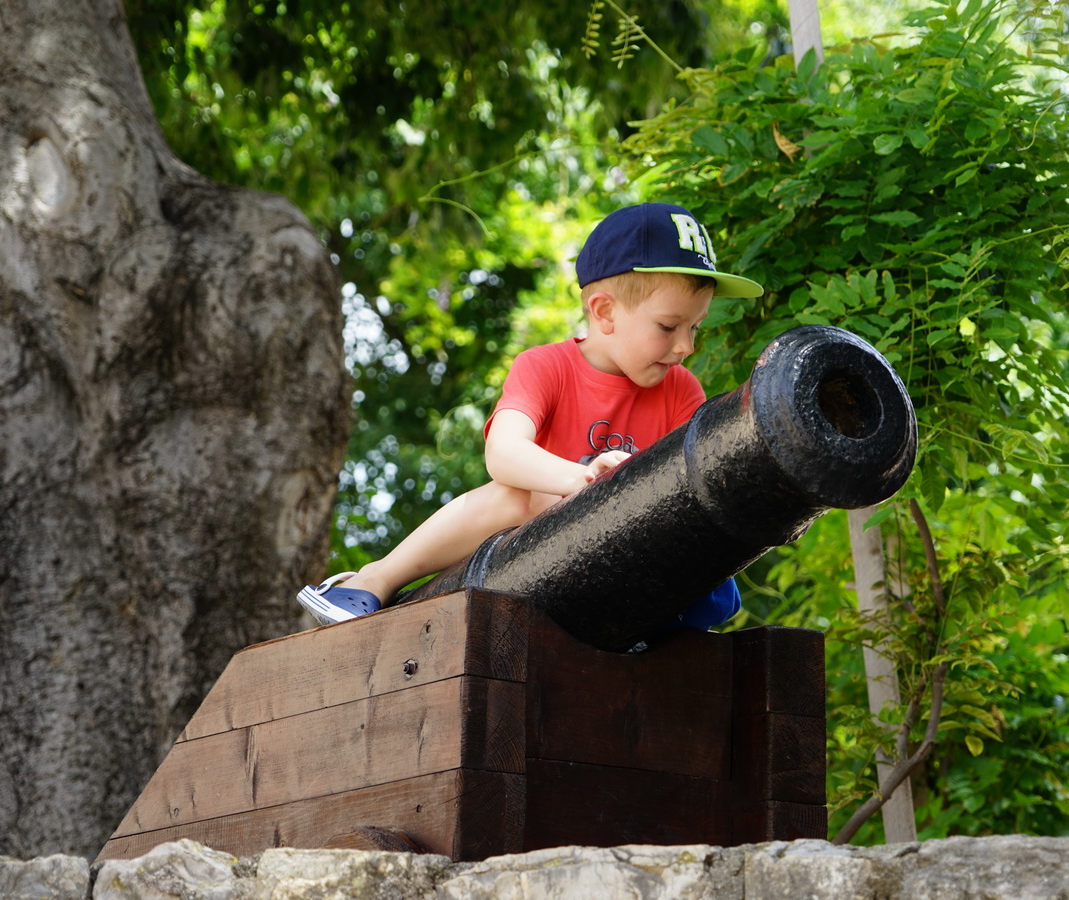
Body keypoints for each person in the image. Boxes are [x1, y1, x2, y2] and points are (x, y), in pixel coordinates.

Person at [296, 201, 764, 630]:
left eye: (694, 327)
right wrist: (581, 479)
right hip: (545, 537)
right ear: (604, 312)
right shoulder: (547, 367)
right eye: (669, 327)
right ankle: (374, 580)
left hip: (626, 559)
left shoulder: (681, 390)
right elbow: (503, 452)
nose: (686, 346)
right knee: (517, 493)